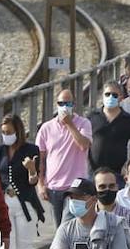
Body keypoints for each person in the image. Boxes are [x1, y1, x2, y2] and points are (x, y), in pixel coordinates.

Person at [0, 114, 43, 249]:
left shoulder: (31, 150)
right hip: (5, 204)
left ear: (18, 131)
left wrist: (32, 169)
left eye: (10, 132)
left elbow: (34, 181)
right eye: (3, 132)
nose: (6, 135)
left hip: (26, 205)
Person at [38, 89, 94, 223]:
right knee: (59, 231)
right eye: (61, 103)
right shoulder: (46, 128)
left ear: (73, 105)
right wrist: (40, 184)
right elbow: (40, 158)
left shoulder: (83, 123)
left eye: (68, 104)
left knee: (68, 225)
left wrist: (69, 124)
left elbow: (84, 145)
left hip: (75, 188)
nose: (64, 107)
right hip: (54, 188)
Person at [89, 81, 130, 179]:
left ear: (121, 97)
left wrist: (128, 166)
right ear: (102, 96)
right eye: (107, 94)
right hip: (93, 173)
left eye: (114, 95)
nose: (110, 97)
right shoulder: (92, 117)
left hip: (118, 173)